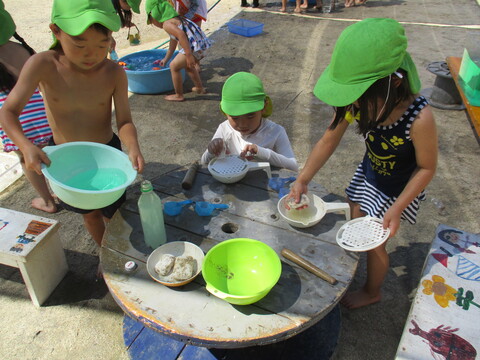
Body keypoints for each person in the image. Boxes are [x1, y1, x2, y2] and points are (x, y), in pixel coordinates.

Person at [286, 18, 437, 309]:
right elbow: (328, 140)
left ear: (394, 83)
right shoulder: (358, 103)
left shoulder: (419, 119)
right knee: (354, 214)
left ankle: (372, 290)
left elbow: (427, 167)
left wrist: (397, 208)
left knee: (375, 244)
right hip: (370, 174)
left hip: (396, 190)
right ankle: (355, 264)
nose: (353, 107)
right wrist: (303, 177)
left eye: (359, 100)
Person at [0, 0, 145, 247]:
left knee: (114, 213)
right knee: (89, 215)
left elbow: (124, 120)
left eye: (102, 44)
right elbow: (8, 112)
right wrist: (25, 146)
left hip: (106, 153)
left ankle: (117, 249)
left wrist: (132, 146)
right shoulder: (43, 64)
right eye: (80, 44)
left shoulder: (113, 72)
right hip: (65, 159)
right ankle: (104, 252)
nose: (92, 54)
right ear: (55, 30)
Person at [0, 1, 56, 213]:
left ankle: (48, 201)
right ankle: (62, 190)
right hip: (42, 115)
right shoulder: (20, 49)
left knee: (28, 160)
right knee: (50, 155)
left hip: (15, 122)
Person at [201, 72, 298, 172]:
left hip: (262, 184)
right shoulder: (224, 128)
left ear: (264, 107)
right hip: (232, 181)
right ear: (225, 112)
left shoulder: (276, 132)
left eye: (250, 115)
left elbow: (293, 166)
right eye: (235, 117)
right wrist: (211, 150)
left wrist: (261, 152)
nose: (243, 124)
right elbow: (204, 162)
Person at [146, 0, 212, 102]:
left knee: (174, 66)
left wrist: (189, 55)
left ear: (156, 15)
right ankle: (199, 88)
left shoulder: (167, 24)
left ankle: (178, 95)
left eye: (151, 21)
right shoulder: (175, 20)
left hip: (193, 48)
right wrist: (166, 58)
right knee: (188, 66)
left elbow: (181, 35)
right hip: (200, 45)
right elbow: (173, 43)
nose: (153, 24)